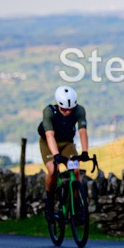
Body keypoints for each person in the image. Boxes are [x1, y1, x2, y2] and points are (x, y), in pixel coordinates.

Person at [37, 85, 89, 221]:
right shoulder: (49, 111)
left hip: (66, 143)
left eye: (70, 109)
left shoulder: (79, 110)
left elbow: (82, 132)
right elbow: (49, 135)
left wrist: (84, 152)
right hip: (49, 143)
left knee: (76, 170)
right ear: (58, 105)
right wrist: (56, 155)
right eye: (64, 109)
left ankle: (77, 206)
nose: (67, 112)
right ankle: (49, 203)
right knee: (53, 170)